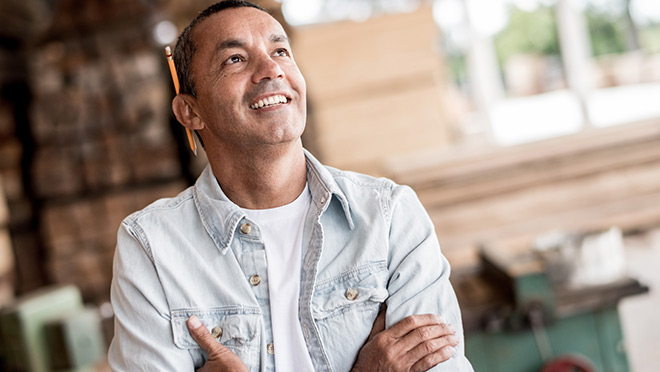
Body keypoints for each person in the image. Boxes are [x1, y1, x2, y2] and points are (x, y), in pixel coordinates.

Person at [108, 1, 474, 371]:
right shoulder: (152, 248)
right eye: (235, 59)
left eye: (280, 51)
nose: (271, 70)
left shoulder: (390, 217)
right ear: (190, 111)